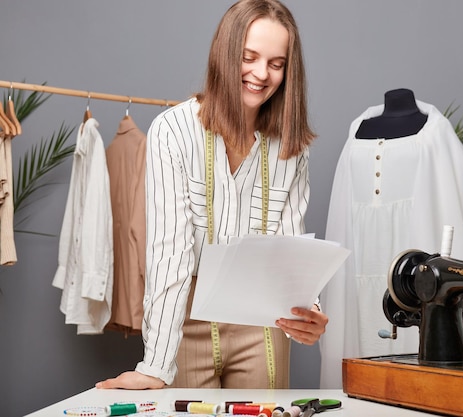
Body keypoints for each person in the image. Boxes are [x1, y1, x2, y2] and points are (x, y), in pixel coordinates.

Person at [96, 0, 327, 390]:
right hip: (188, 320)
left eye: (276, 63)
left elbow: (289, 248)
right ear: (225, 53)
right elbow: (170, 252)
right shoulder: (173, 130)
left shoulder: (291, 144)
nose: (260, 74)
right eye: (248, 57)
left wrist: (309, 313)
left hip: (262, 320)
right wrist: (155, 365)